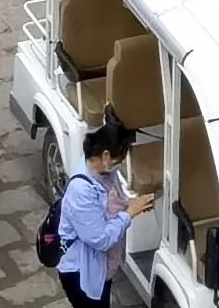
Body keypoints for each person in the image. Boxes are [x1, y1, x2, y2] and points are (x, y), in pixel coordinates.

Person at [52, 125, 135, 304]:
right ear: (105, 156)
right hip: (81, 272)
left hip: (99, 267)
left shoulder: (101, 171)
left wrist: (131, 205)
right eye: (119, 159)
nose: (119, 164)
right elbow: (100, 239)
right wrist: (129, 214)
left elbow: (115, 201)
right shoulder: (81, 190)